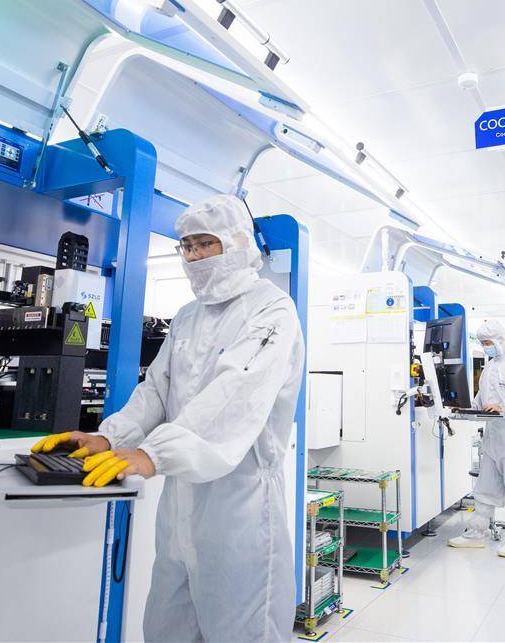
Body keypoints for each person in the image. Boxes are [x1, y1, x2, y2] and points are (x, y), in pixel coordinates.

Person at [30, 194, 306, 641]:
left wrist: (153, 453)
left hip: (238, 511)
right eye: (187, 247)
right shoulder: (187, 317)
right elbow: (157, 390)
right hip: (179, 510)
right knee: (166, 628)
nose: (194, 256)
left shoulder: (271, 309)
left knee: (243, 630)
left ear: (237, 243)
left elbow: (235, 394)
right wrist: (109, 437)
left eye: (205, 244)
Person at [449, 320, 505, 558]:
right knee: (485, 488)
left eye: (488, 342)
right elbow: (483, 399)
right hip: (493, 438)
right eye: (482, 343)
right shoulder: (490, 366)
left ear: (500, 339)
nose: (486, 347)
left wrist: (504, 408)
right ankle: (476, 534)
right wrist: (467, 408)